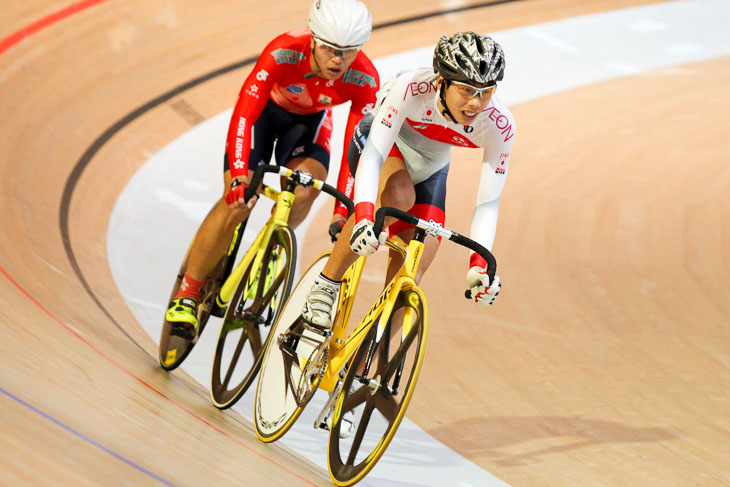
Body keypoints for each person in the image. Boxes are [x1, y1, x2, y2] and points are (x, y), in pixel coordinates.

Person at [165, 0, 380, 339]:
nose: (339, 60)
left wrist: (342, 211)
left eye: (349, 51)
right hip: (265, 115)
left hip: (308, 127)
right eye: (331, 49)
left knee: (306, 191)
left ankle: (272, 247)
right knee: (237, 201)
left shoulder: (364, 79)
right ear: (314, 39)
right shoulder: (283, 52)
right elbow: (244, 115)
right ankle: (187, 294)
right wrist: (238, 173)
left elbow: (359, 152)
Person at [302, 31, 513, 329]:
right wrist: (363, 215)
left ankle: (368, 366)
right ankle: (327, 284)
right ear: (442, 82)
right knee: (399, 195)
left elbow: (488, 202)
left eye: (486, 91)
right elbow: (374, 155)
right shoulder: (412, 88)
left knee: (413, 270)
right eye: (466, 90)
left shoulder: (498, 125)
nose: (476, 103)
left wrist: (480, 264)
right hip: (383, 145)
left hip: (431, 168)